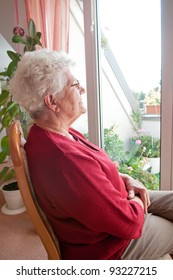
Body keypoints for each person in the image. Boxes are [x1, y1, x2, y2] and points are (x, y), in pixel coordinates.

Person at [10, 48, 173, 260]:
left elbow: (93, 177)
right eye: (75, 85)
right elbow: (130, 224)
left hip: (118, 203)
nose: (83, 89)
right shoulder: (65, 159)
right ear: (52, 102)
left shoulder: (49, 133)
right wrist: (139, 203)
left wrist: (126, 179)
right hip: (109, 245)